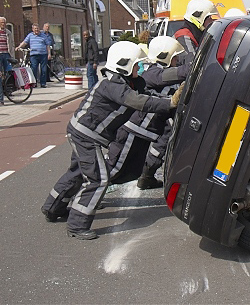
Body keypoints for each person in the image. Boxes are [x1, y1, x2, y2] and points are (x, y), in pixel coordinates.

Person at [41, 41, 184, 240]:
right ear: (124, 64)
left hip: (83, 133)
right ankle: (77, 225)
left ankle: (52, 208)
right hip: (85, 136)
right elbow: (138, 101)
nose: (139, 68)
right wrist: (170, 102)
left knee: (77, 172)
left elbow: (145, 94)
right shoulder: (112, 85)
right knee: (98, 178)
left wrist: (167, 100)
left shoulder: (123, 83)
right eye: (136, 65)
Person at [106, 36, 186, 190]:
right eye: (174, 57)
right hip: (135, 129)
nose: (177, 60)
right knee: (115, 168)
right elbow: (181, 73)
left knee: (135, 165)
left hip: (148, 129)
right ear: (166, 56)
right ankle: (85, 189)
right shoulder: (154, 73)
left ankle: (147, 177)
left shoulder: (160, 72)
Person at [16, 23, 51, 88]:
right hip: (34, 55)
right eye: (35, 29)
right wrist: (19, 47)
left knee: (43, 69)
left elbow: (47, 45)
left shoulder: (43, 36)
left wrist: (49, 54)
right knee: (33, 69)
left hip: (43, 54)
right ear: (32, 29)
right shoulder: (30, 35)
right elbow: (25, 42)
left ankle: (43, 83)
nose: (36, 30)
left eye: (37, 28)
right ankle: (34, 83)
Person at [0, 17, 15, 105]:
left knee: (9, 73)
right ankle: (1, 99)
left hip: (7, 54)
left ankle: (8, 90)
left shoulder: (8, 32)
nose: (3, 24)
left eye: (4, 22)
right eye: (1, 22)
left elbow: (11, 44)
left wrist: (12, 56)